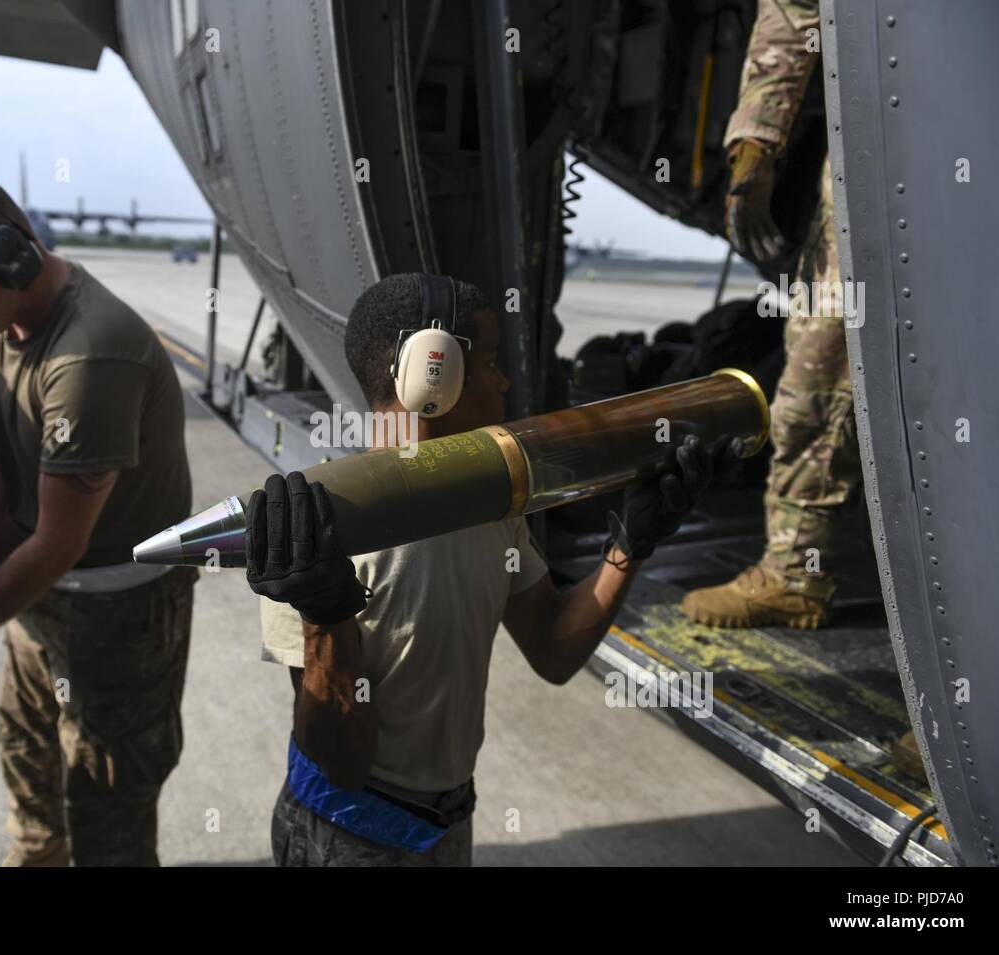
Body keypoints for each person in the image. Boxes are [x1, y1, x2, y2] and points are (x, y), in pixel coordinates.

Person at [246, 273, 730, 866]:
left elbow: (552, 651)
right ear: (433, 371)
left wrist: (628, 548)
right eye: (492, 362)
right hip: (347, 840)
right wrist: (324, 618)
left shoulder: (490, 505)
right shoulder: (317, 530)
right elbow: (343, 763)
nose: (504, 381)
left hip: (445, 825)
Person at [0, 168, 197, 865]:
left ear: (8, 253)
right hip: (39, 605)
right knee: (29, 772)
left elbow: (56, 543)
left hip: (123, 617)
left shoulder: (90, 354)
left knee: (107, 809)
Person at [682, 0, 860, 631]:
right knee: (818, 369)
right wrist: (756, 142)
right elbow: (796, 9)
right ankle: (794, 569)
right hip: (878, 164)